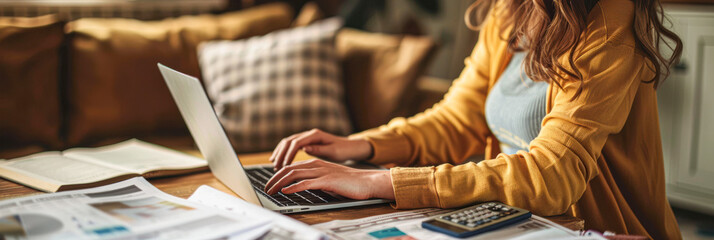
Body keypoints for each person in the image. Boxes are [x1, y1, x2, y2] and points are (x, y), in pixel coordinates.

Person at [264, 0, 683, 239]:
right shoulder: (512, 9)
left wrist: (382, 180)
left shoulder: (612, 24)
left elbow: (552, 177)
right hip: (510, 217)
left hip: (590, 229)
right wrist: (362, 146)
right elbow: (457, 119)